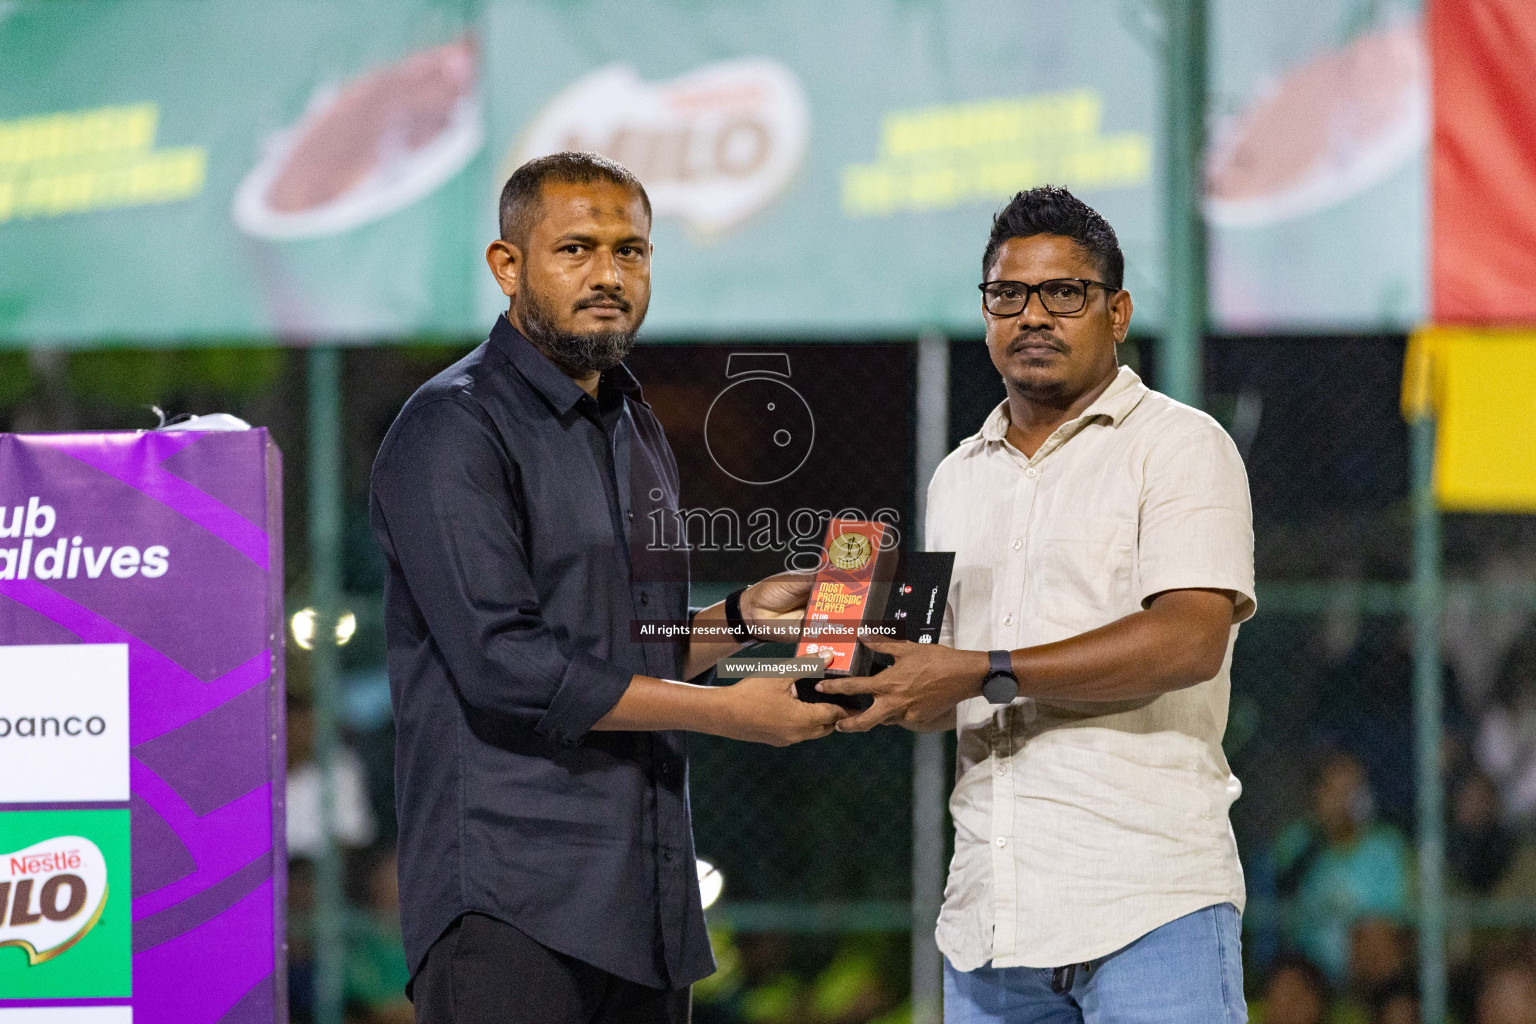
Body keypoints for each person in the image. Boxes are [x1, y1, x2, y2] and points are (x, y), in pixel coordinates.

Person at [369, 151, 845, 1024]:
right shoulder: (451, 426)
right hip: (511, 907)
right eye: (576, 249)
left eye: (631, 251)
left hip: (646, 907)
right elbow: (503, 664)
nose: (609, 275)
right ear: (507, 266)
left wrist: (741, 620)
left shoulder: (632, 424)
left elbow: (629, 650)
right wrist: (734, 712)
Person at [818, 186, 1256, 1022]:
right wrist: (838, 651)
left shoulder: (1180, 445)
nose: (1033, 316)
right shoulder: (958, 475)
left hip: (1149, 903)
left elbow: (1188, 641)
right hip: (991, 924)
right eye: (1008, 296)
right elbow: (936, 691)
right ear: (985, 314)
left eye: (1065, 294)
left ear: (1118, 312)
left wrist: (983, 671)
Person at [1270, 750, 1411, 985]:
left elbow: (1394, 921)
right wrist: (1321, 834)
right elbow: (1283, 893)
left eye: (1352, 791)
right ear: (1317, 796)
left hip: (1370, 972)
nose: (1344, 802)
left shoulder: (1387, 847)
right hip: (1309, 970)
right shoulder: (1296, 844)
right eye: (1335, 792)